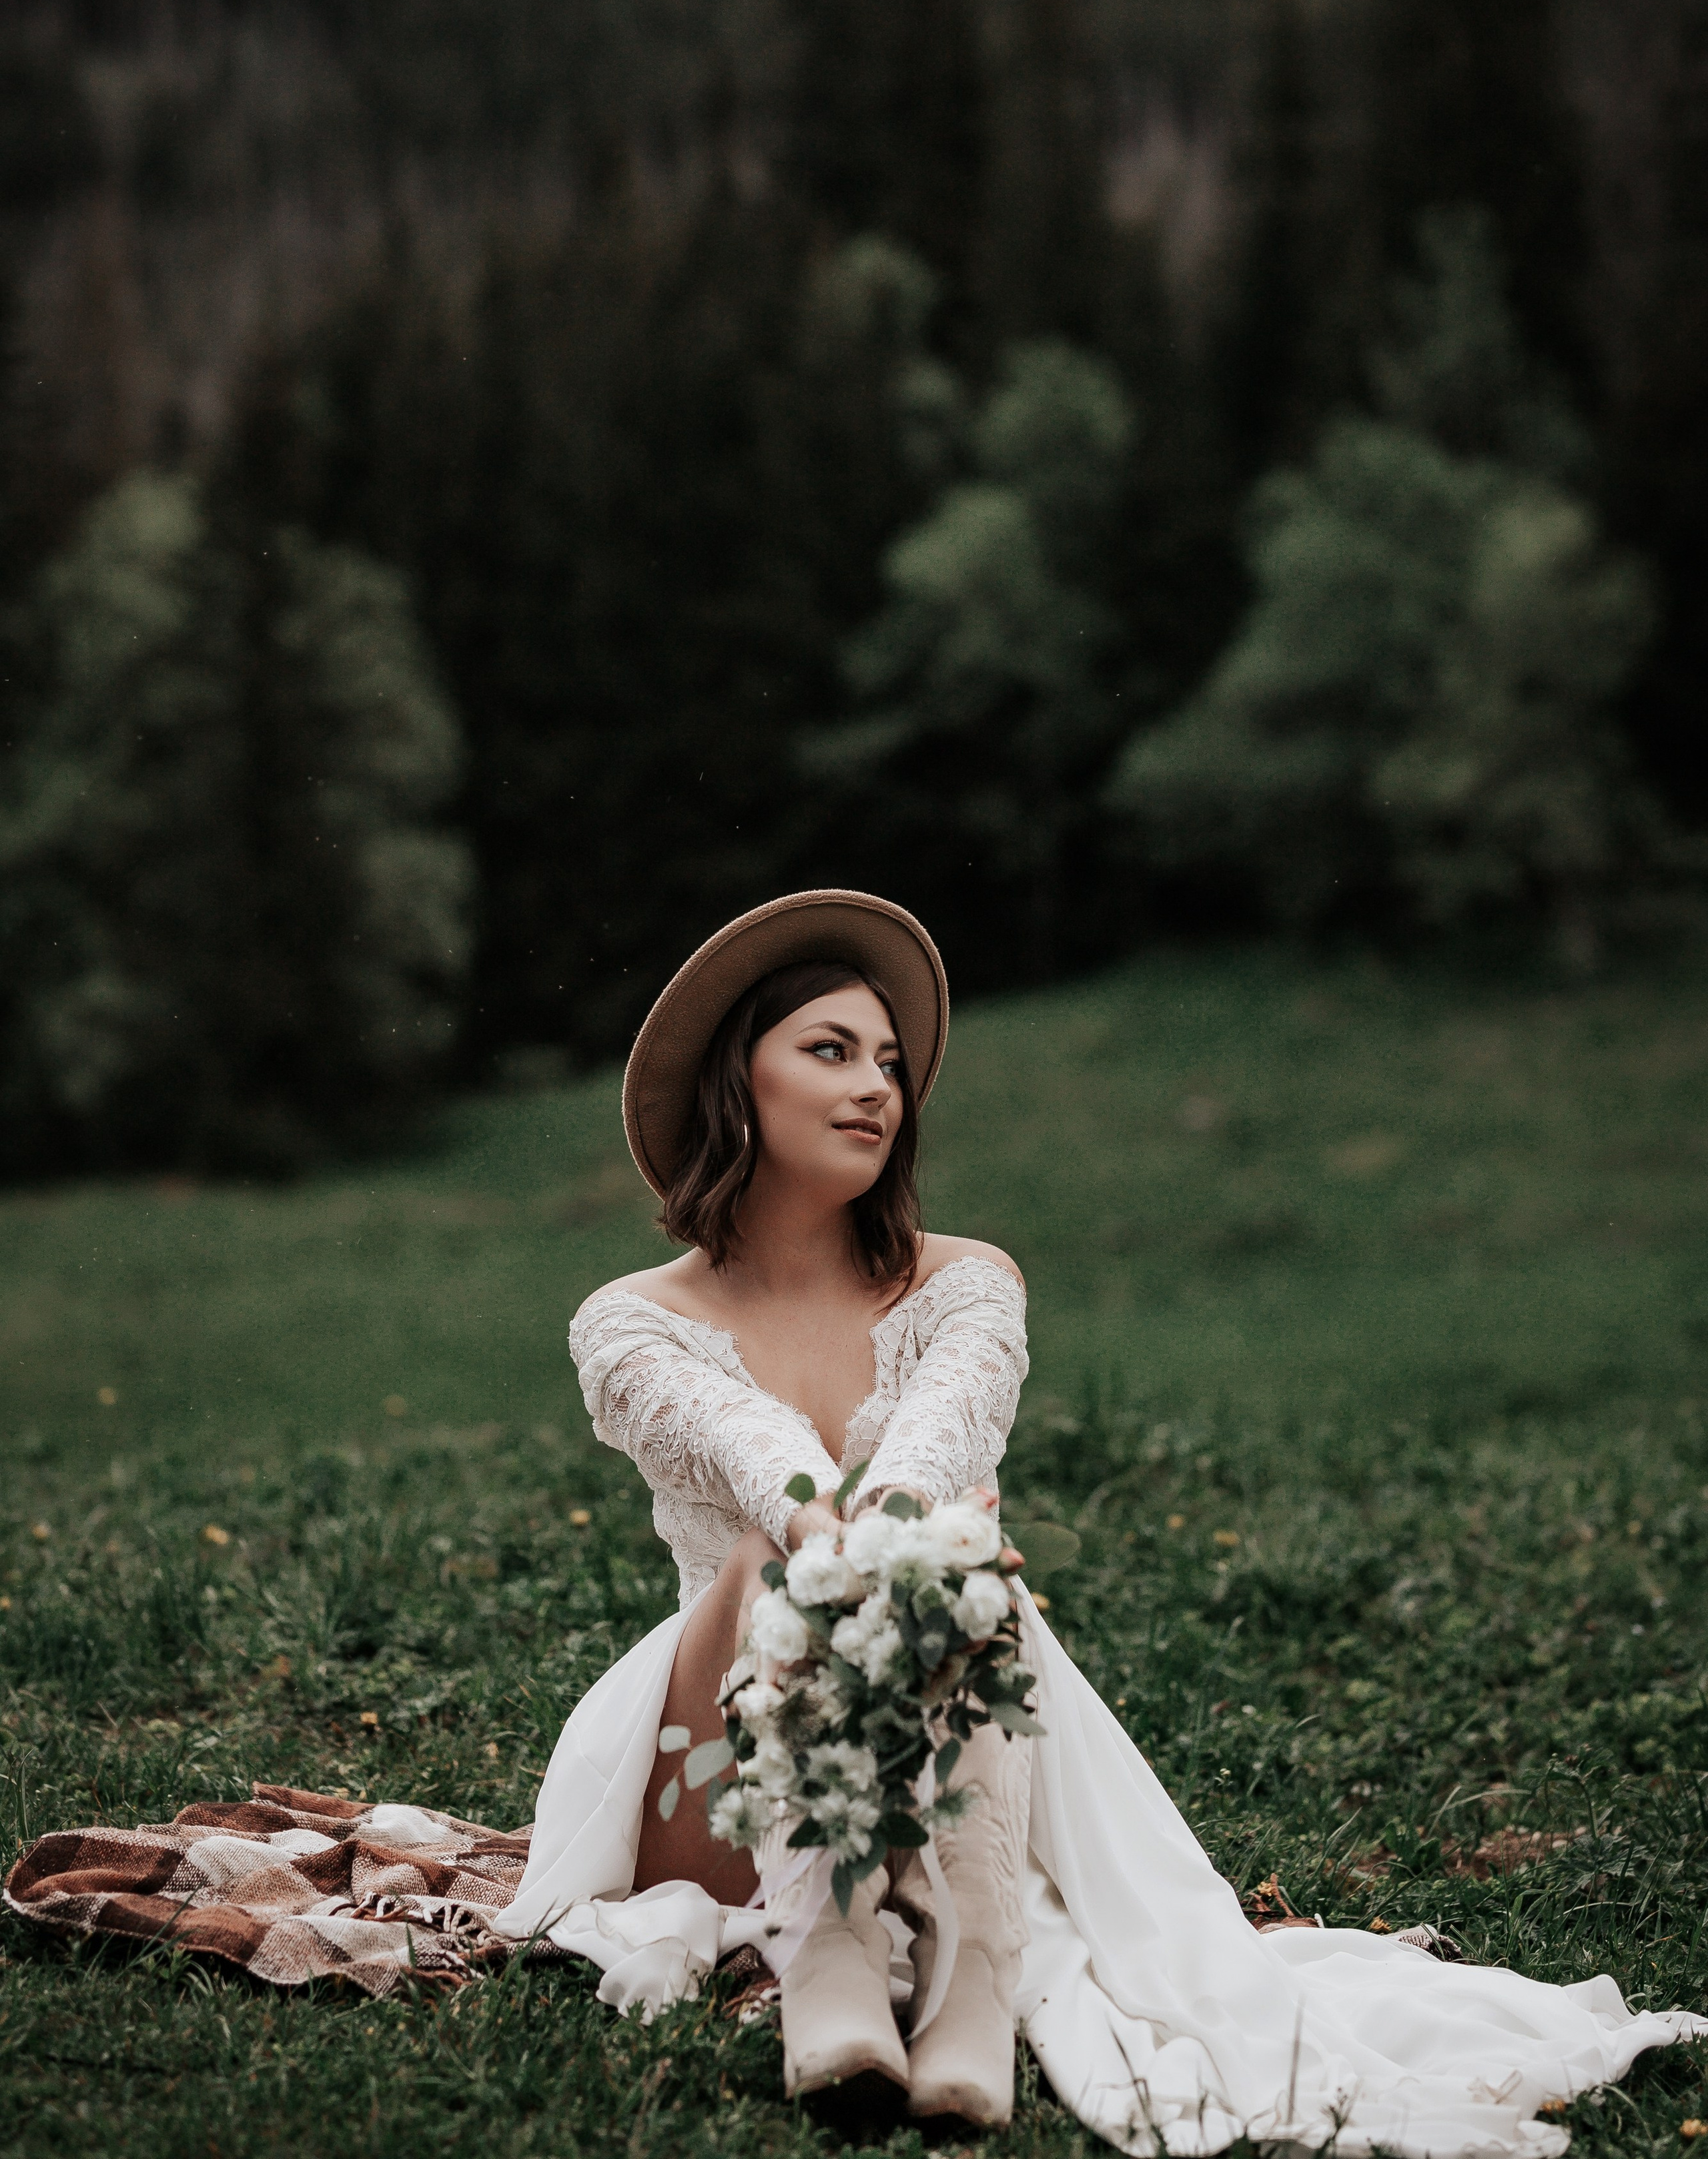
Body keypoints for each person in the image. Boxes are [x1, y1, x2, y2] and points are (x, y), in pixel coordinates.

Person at [495, 889, 1705, 2149]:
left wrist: (901, 1541)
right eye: (832, 1051)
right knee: (774, 1558)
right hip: (721, 1774)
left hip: (940, 1756)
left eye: (894, 1066)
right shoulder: (631, 1320)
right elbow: (759, 1461)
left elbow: (929, 1457)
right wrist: (838, 1538)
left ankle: (960, 1987)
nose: (877, 1089)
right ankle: (831, 1959)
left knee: (953, 1553)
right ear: (736, 1086)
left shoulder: (968, 1285)